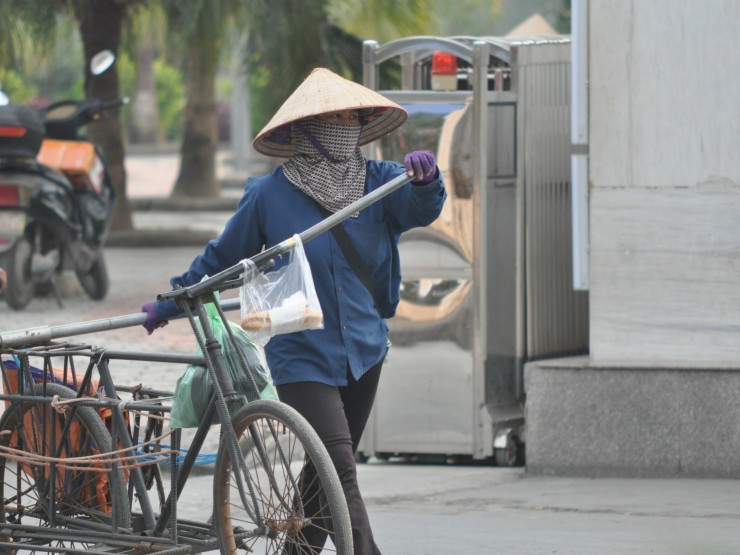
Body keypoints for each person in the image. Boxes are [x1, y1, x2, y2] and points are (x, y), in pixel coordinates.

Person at [142, 67, 446, 554]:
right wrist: (171, 300)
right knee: (340, 469)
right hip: (302, 353)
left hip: (366, 349)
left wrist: (428, 179)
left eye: (354, 117)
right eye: (337, 118)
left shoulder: (381, 182)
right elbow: (222, 260)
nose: (348, 126)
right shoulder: (269, 194)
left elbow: (420, 208)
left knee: (321, 475)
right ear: (309, 129)